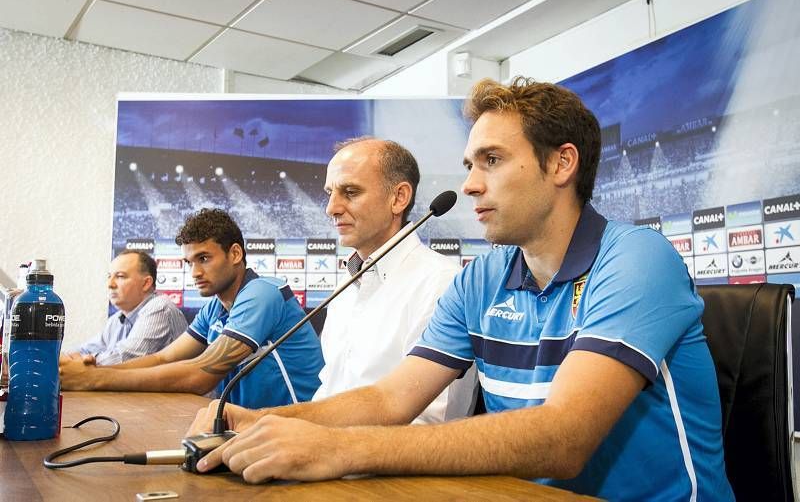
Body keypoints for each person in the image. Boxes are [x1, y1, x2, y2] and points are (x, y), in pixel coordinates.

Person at [187, 78, 734, 501]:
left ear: (562, 163)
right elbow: (389, 399)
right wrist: (254, 422)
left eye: (492, 161)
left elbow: (563, 438)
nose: (470, 183)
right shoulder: (481, 277)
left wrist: (335, 446)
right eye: (470, 164)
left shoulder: (638, 258)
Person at [60, 208, 324, 409]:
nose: (195, 272)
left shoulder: (263, 293)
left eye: (204, 259)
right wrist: (95, 373)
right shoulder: (213, 308)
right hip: (250, 430)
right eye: (189, 262)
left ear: (235, 254)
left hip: (296, 429)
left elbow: (201, 374)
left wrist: (94, 380)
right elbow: (163, 358)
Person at [315, 137, 476, 423]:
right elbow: (329, 389)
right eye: (329, 193)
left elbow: (429, 423)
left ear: (399, 198)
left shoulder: (440, 283)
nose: (331, 208)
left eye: (350, 192)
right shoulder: (348, 280)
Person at [62, 250, 187, 366]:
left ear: (146, 283)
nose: (110, 284)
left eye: (120, 276)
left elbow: (126, 359)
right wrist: (63, 358)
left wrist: (78, 363)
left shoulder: (160, 308)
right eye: (109, 276)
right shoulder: (116, 320)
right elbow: (85, 350)